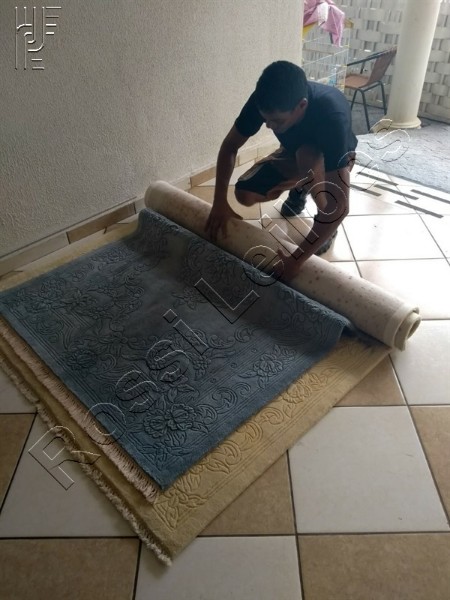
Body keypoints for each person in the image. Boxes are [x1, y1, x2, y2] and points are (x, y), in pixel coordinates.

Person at [205, 60, 357, 280]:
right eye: (265, 119)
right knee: (244, 194)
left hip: (332, 158)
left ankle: (323, 221)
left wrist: (296, 261)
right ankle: (301, 186)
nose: (269, 126)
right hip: (293, 151)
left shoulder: (332, 117)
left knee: (307, 157)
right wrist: (219, 202)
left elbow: (340, 206)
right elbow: (230, 146)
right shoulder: (263, 99)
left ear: (301, 106)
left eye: (276, 121)